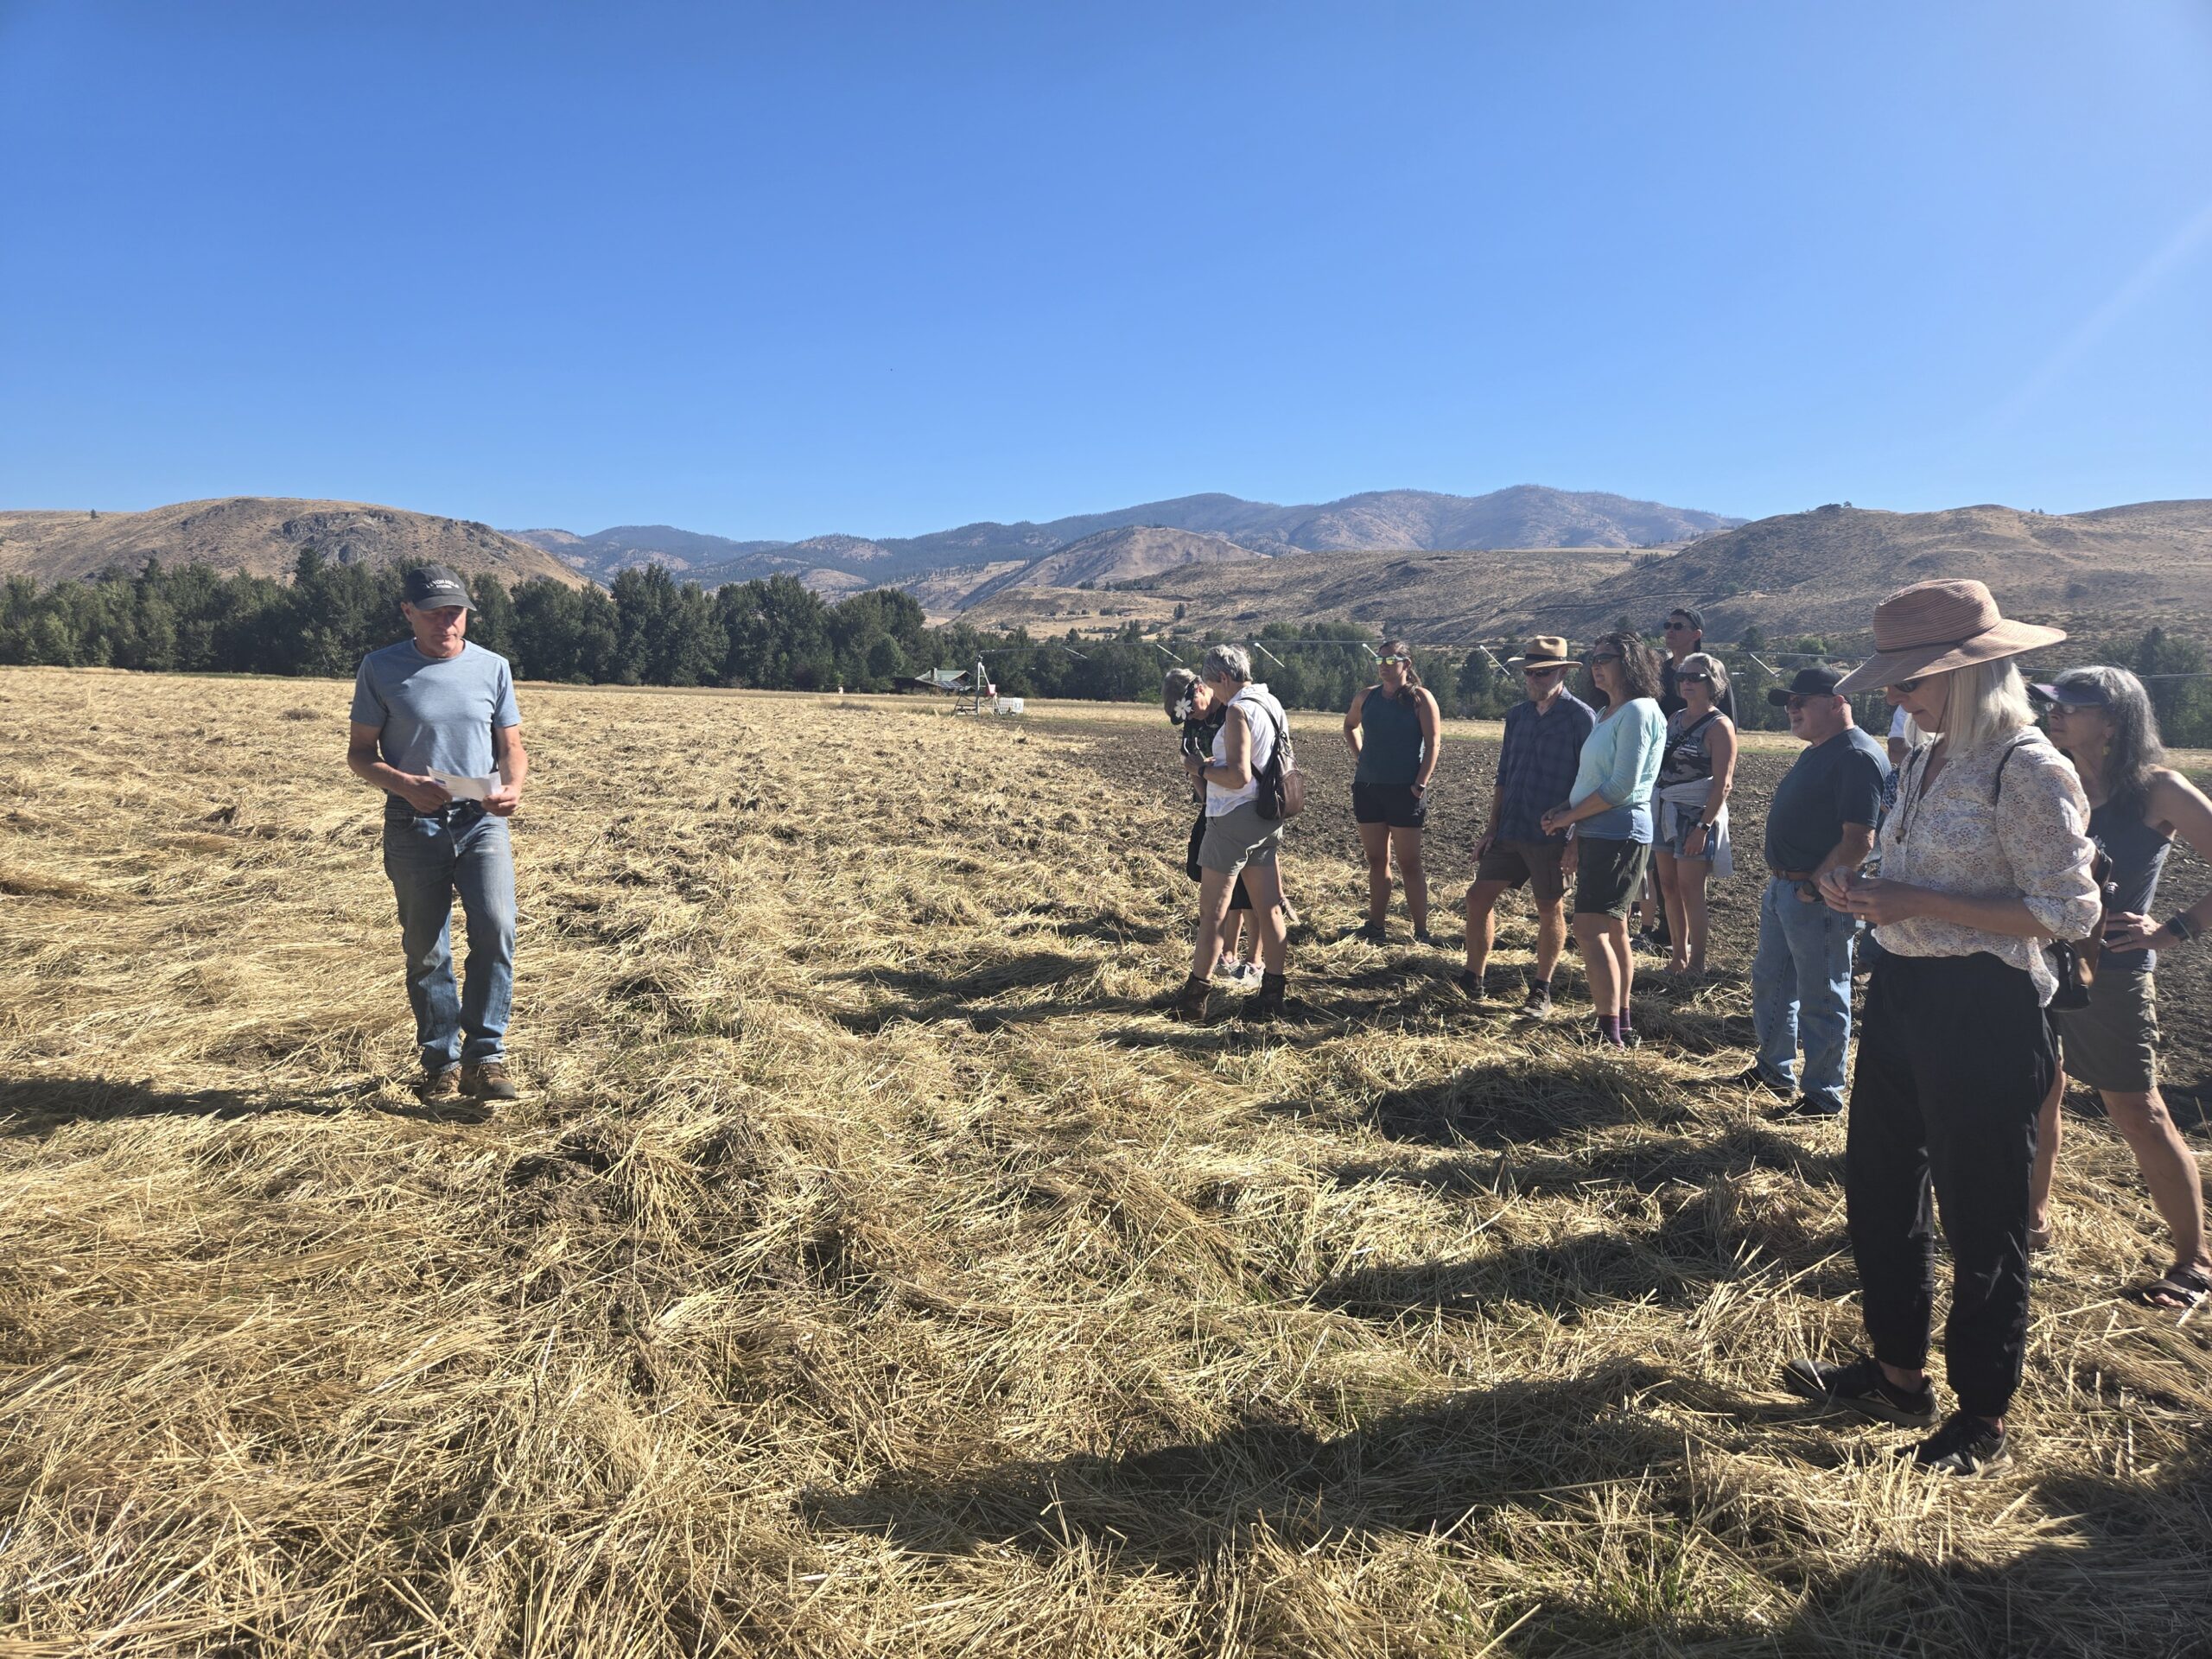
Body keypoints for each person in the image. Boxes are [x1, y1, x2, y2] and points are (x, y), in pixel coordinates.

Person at [1788, 579, 2098, 1477]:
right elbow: (1909, 865)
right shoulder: (1922, 759)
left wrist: (1912, 898)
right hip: (1905, 994)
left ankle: (1982, 1415)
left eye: (1909, 680)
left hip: (1985, 1010)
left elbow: (2067, 913)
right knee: (1879, 1194)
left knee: (1981, 1217)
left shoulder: (2029, 767)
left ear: (1967, 675)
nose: (1893, 696)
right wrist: (1861, 885)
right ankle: (1896, 1374)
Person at [2026, 668, 2212, 1312]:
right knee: (2039, 1095)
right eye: (2052, 702)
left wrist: (2176, 929)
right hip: (2036, 965)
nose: (2055, 714)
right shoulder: (2051, 776)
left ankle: (2194, 1264)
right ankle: (2032, 1225)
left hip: (2111, 978)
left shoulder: (2157, 789)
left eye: (2073, 706)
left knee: (2139, 1113)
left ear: (2114, 721)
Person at [346, 564, 529, 1103]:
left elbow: (511, 747)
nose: (446, 623)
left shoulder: (493, 668)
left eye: (455, 612)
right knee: (427, 950)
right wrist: (403, 784)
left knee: (496, 930)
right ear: (408, 613)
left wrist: (513, 787)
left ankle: (486, 1058)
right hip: (413, 824)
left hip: (482, 823)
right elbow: (359, 755)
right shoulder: (381, 669)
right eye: (433, 613)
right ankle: (440, 1062)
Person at [1741, 667, 1889, 1116]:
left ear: (1837, 701)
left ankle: (1823, 1094)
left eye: (1801, 700)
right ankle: (1772, 1069)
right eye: (1789, 702)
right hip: (1786, 888)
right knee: (1773, 982)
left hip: (1816, 895)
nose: (1792, 708)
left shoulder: (1856, 757)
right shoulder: (1821, 750)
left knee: (1822, 996)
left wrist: (1813, 885)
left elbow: (1859, 838)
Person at [1540, 632, 1664, 1047]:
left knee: (1589, 929)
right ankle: (1620, 1027)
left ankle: (1608, 1032)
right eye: (1593, 657)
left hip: (1619, 830)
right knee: (1612, 930)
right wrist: (1568, 812)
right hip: (1602, 830)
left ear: (1630, 662)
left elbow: (1622, 786)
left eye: (1605, 657)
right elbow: (1593, 779)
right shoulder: (1611, 712)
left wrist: (1569, 818)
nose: (1596, 664)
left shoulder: (1638, 711)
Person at [1465, 637, 1597, 1015]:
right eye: (1529, 672)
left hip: (1552, 832)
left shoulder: (1581, 717)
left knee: (1548, 908)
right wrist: (1491, 828)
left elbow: (1589, 783)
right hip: (1510, 827)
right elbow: (1503, 775)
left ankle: (1542, 989)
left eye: (1543, 672)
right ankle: (1473, 978)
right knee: (1477, 898)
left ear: (1561, 673)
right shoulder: (1517, 715)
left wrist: (1575, 839)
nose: (1534, 679)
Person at [1173, 645, 1293, 1022]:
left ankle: (1195, 1000)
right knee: (1269, 908)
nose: (1210, 690)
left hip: (1232, 819)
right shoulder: (1270, 702)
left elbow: (1239, 776)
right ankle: (1272, 993)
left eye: (1210, 682)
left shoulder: (1239, 710)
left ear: (1222, 678)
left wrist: (1200, 768)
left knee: (1212, 914)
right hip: (1265, 818)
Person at [1164, 669, 1258, 987]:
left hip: (1244, 807)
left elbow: (1240, 767)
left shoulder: (1232, 711)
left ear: (1203, 689)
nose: (1192, 715)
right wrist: (1208, 804)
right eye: (1186, 713)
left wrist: (1207, 774)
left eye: (1193, 706)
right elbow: (1191, 763)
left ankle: (1255, 960)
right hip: (1216, 807)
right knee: (1219, 882)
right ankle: (1227, 952)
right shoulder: (1193, 722)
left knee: (1250, 888)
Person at [1344, 641, 1441, 944]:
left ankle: (1421, 932)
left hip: (1405, 792)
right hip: (1369, 789)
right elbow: (1349, 727)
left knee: (1410, 863)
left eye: (1391, 659)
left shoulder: (1420, 699)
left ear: (1406, 664)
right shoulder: (1366, 697)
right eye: (1380, 658)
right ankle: (1376, 926)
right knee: (1376, 860)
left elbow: (1434, 743)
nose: (1384, 664)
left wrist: (1420, 783)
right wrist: (1361, 757)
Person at [1651, 652, 1737, 976]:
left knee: (1690, 890)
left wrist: (1704, 826)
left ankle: (1697, 963)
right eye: (1682, 677)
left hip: (1694, 814)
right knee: (1668, 886)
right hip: (1665, 809)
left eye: (1694, 678)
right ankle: (1678, 957)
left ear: (1712, 683)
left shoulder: (1719, 726)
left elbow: (1723, 783)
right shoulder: (1674, 718)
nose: (1686, 683)